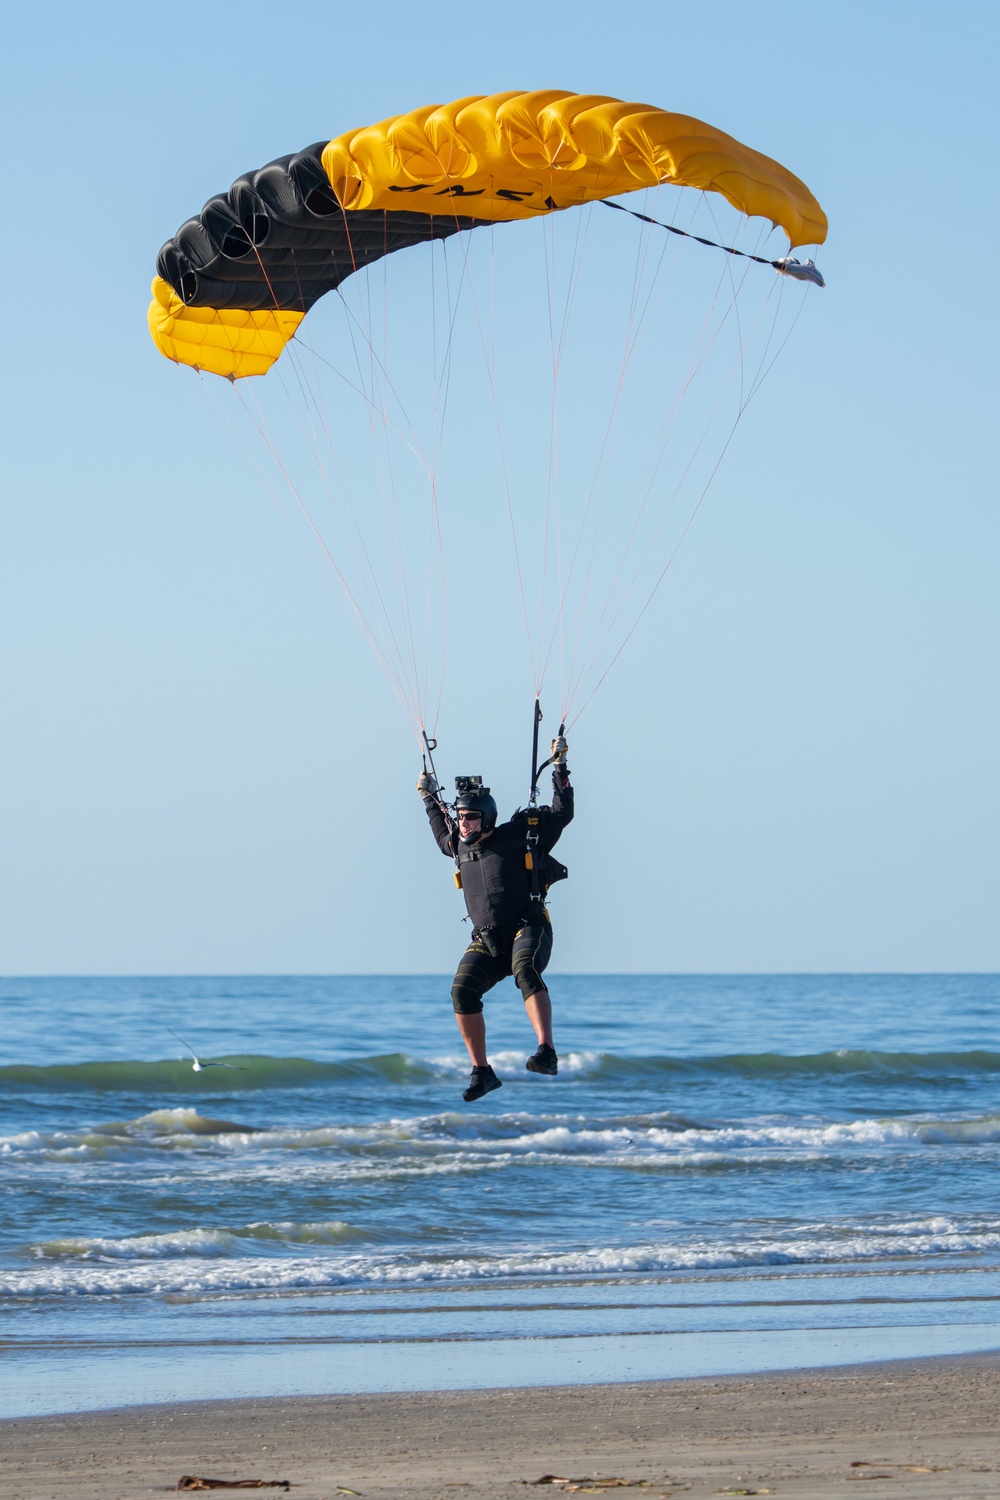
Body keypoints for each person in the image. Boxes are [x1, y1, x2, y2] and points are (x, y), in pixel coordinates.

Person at [417, 739, 574, 1102]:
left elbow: (562, 813)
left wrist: (561, 768)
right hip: (486, 939)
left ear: (486, 816)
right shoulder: (457, 845)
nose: (463, 823)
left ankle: (546, 1052)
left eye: (470, 817)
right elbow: (438, 826)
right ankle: (482, 1072)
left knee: (525, 969)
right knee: (461, 990)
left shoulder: (520, 834)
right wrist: (427, 796)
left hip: (528, 925)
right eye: (459, 816)